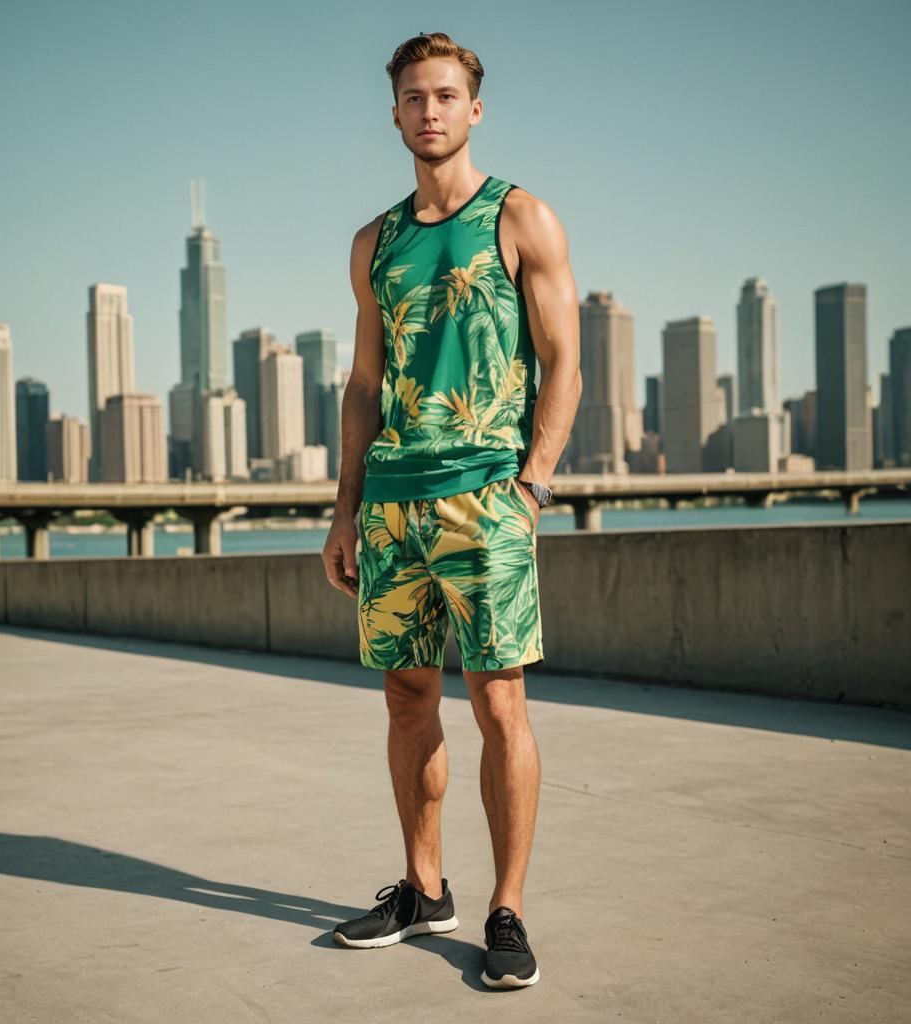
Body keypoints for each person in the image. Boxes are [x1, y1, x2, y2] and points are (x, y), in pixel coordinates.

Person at [321, 30, 581, 990]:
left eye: (445, 96)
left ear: (474, 109)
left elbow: (566, 362)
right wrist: (345, 511)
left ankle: (507, 909)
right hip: (393, 506)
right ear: (393, 114)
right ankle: (424, 889)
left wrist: (534, 483)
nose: (428, 111)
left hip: (486, 499)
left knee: (499, 702)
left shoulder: (522, 218)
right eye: (412, 98)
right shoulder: (374, 243)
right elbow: (362, 382)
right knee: (406, 699)